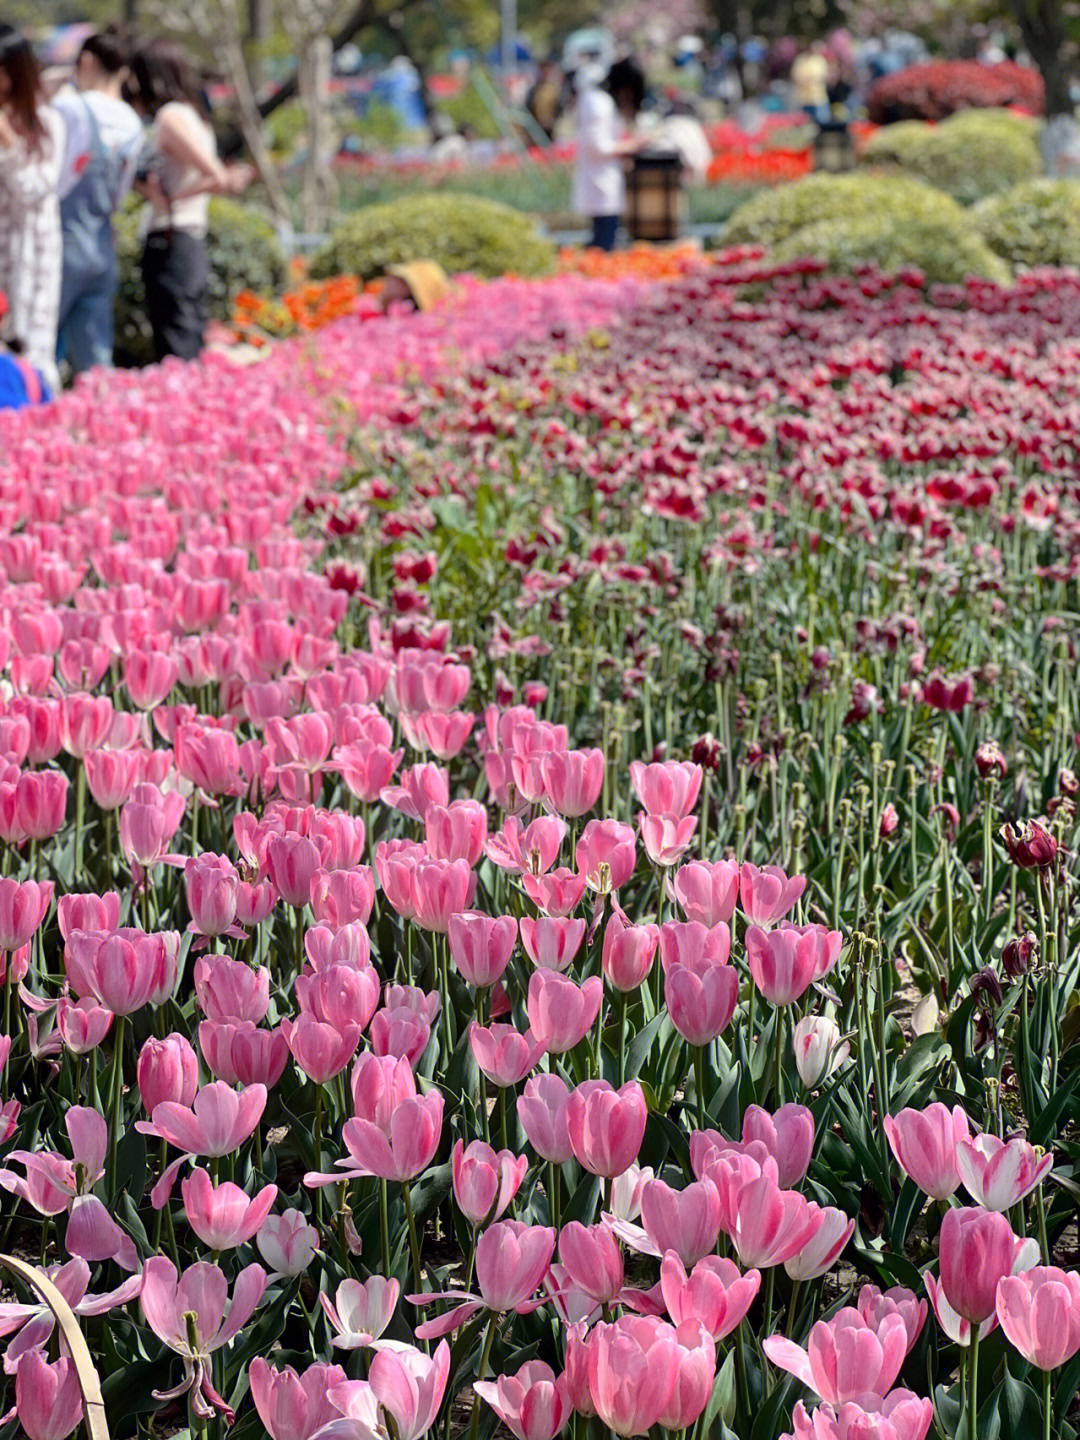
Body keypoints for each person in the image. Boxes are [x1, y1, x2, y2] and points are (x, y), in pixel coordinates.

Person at [126, 38, 252, 362]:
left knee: (176, 347)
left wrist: (168, 197)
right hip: (189, 241)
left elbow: (216, 177)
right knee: (188, 339)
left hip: (171, 240)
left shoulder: (170, 117)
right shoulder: (196, 115)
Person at [51, 25, 143, 374]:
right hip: (102, 242)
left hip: (62, 240)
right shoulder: (131, 122)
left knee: (38, 346)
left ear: (86, 61)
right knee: (94, 358)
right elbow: (119, 194)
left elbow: (54, 178)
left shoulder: (69, 108)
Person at [0, 27, 64, 391]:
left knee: (30, 358)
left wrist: (8, 141)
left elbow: (35, 191)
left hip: (30, 258)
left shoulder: (47, 123)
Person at [572, 57, 645, 253]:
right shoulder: (599, 104)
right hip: (600, 179)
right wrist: (633, 145)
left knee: (604, 236)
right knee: (603, 243)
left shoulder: (599, 101)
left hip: (602, 179)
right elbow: (597, 146)